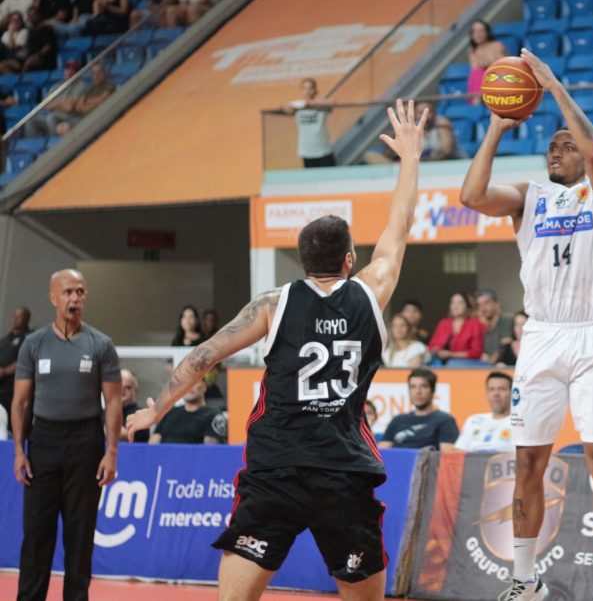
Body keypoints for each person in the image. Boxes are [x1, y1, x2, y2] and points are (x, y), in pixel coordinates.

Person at [126, 98, 427, 600]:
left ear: (303, 262)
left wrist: (158, 408)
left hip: (276, 472)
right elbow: (399, 229)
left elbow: (203, 356)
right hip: (343, 472)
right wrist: (411, 159)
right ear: (350, 259)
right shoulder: (372, 290)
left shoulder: (273, 303)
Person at [460, 48, 593, 600]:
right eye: (551, 145)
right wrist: (495, 125)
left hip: (591, 336)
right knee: (528, 461)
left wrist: (554, 85)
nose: (557, 150)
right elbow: (470, 195)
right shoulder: (527, 199)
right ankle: (524, 580)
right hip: (540, 336)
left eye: (566, 145)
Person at [12, 269, 121, 601]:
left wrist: (111, 451)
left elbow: (114, 400)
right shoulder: (34, 344)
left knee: (80, 535)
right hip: (43, 441)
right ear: (53, 298)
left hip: (85, 442)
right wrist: (19, 450)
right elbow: (20, 401)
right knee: (36, 535)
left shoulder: (101, 344)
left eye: (80, 292)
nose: (75, 298)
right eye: (68, 292)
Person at [378, 368, 459, 450]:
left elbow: (448, 455)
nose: (417, 391)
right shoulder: (398, 420)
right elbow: (381, 452)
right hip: (397, 462)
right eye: (413, 387)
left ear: (433, 390)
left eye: (423, 386)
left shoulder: (445, 420)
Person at [281, 77, 336, 168]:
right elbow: (284, 106)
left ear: (315, 90)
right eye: (305, 88)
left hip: (324, 150)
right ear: (301, 91)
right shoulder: (298, 105)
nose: (308, 91)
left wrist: (313, 103)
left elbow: (333, 102)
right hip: (307, 152)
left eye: (310, 88)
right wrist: (296, 106)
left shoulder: (320, 104)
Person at [148, 380, 225, 444]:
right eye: (185, 384)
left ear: (204, 387)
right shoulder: (170, 412)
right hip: (164, 461)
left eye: (193, 383)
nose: (189, 388)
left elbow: (210, 452)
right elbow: (153, 446)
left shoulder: (212, 414)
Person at [454, 371, 513, 453]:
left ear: (512, 393)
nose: (496, 394)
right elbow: (458, 452)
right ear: (487, 393)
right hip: (473, 465)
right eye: (491, 389)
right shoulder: (473, 420)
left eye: (502, 389)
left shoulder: (519, 423)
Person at [427, 291, 485, 362]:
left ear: (467, 306)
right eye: (453, 302)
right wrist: (436, 350)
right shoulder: (443, 323)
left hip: (465, 365)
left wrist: (451, 355)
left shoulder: (475, 324)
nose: (455, 306)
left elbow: (476, 352)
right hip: (439, 363)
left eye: (460, 303)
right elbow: (431, 346)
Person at [0, 306, 30, 427]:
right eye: (14, 316)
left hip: (14, 392)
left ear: (26, 319)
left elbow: (25, 362)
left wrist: (4, 371)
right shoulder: (4, 340)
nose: (15, 319)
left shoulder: (29, 339)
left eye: (19, 316)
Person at [467, 19, 506, 101]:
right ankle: (476, 102)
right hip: (479, 85)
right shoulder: (472, 50)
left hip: (496, 80)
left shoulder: (496, 45)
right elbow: (475, 68)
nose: (478, 34)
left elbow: (504, 65)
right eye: (475, 31)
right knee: (477, 74)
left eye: (481, 31)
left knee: (481, 74)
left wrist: (487, 64)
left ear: (487, 32)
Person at [476, 288, 513, 363]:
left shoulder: (508, 320)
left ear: (496, 303)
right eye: (480, 304)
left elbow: (505, 346)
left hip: (505, 364)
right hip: (482, 366)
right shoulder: (478, 323)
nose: (483, 308)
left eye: (486, 303)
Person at [119, 368, 149, 443]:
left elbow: (137, 439)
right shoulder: (103, 413)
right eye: (118, 387)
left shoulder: (141, 413)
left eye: (127, 388)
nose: (122, 391)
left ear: (136, 390)